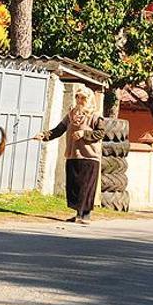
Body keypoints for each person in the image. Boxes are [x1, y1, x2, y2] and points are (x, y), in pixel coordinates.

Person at [34, 86, 104, 224]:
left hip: (89, 157)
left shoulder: (95, 117)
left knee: (86, 187)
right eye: (77, 97)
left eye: (83, 98)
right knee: (74, 186)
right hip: (73, 155)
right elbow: (59, 130)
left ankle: (84, 215)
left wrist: (85, 134)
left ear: (89, 99)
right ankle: (78, 213)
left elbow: (100, 133)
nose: (79, 100)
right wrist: (44, 135)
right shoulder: (71, 115)